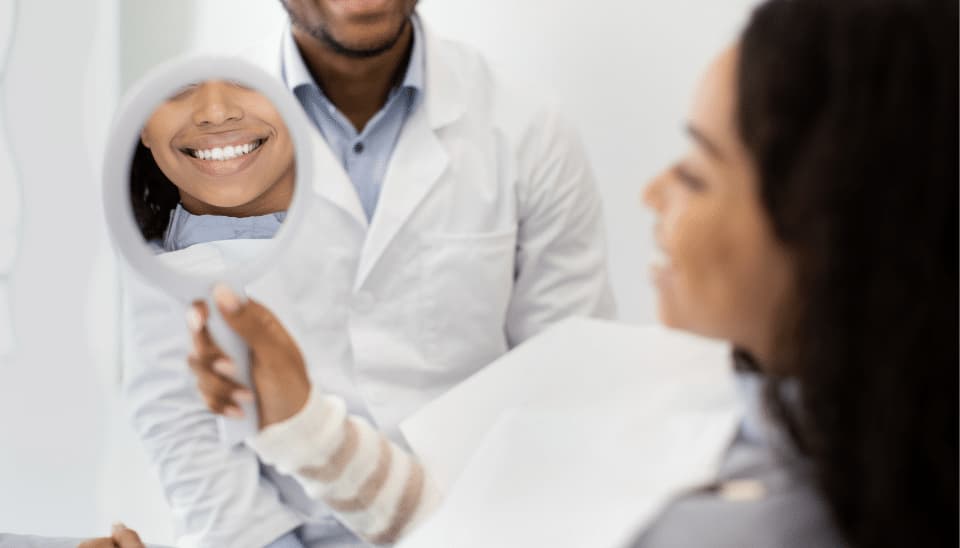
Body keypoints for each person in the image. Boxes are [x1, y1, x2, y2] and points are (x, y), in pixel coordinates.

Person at [173, 0, 957, 546]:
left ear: (827, 226)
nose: (652, 192)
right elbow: (495, 519)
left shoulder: (734, 518)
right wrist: (302, 424)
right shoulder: (758, 409)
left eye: (698, 170)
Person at [121, 1, 616, 547]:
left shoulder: (528, 129)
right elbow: (176, 404)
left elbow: (568, 385)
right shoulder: (195, 133)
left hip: (476, 528)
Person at [130, 79, 294, 253]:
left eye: (241, 74)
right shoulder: (113, 272)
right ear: (144, 125)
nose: (216, 114)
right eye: (177, 84)